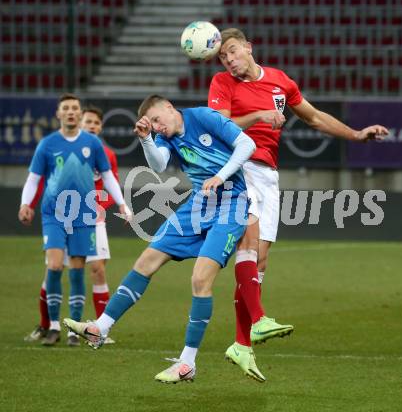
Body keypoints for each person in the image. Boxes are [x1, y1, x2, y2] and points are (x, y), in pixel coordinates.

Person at [208, 28, 389, 366]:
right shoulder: (222, 83)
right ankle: (259, 320)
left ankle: (241, 344)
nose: (229, 60)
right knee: (247, 243)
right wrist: (258, 117)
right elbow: (218, 125)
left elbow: (315, 117)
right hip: (237, 168)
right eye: (223, 56)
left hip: (267, 173)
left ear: (248, 47)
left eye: (232, 51)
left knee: (259, 261)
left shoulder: (280, 81)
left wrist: (355, 134)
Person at [64, 95, 264, 383]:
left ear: (170, 108)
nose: (157, 127)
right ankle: (101, 327)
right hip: (198, 204)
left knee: (199, 279)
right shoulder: (164, 137)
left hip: (232, 203)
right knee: (147, 260)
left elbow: (248, 145)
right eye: (152, 125)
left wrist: (220, 176)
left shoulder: (202, 116)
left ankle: (187, 363)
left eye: (157, 120)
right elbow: (158, 166)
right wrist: (146, 139)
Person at [18, 93, 131, 347]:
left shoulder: (93, 144)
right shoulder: (47, 144)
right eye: (66, 108)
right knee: (55, 266)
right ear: (58, 114)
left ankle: (73, 330)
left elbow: (108, 177)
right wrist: (26, 204)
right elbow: (34, 178)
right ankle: (53, 326)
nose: (70, 112)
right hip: (54, 215)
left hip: (84, 215)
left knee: (80, 270)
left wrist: (122, 203)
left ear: (79, 114)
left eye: (74, 108)